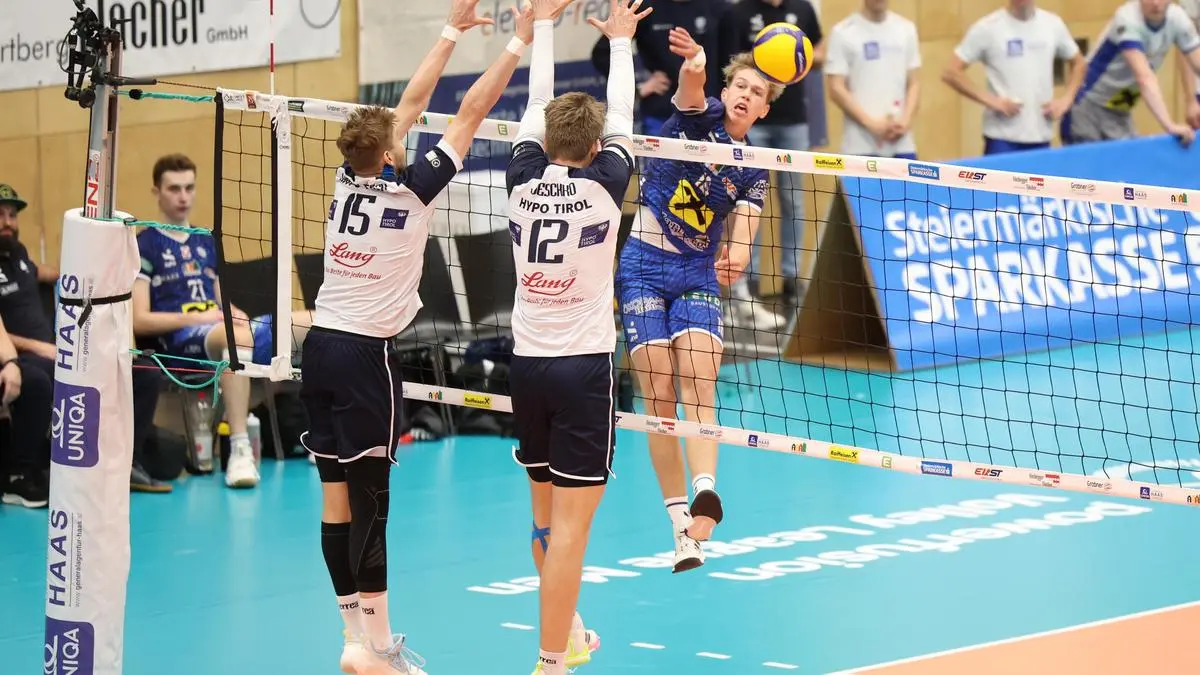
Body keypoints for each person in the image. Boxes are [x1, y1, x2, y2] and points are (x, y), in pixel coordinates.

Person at [298, 1, 535, 672]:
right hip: (364, 358)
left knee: (336, 500)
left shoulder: (348, 179)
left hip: (319, 347)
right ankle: (379, 647)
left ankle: (353, 636)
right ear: (389, 152)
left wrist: (451, 31)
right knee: (373, 504)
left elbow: (408, 105)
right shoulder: (413, 190)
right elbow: (469, 113)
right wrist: (518, 41)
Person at [506, 0, 646, 672]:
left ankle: (569, 636)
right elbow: (621, 114)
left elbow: (535, 104)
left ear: (545, 142)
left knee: (544, 520)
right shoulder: (607, 183)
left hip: (527, 365)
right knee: (571, 532)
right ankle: (550, 660)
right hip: (583, 369)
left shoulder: (519, 178)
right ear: (594, 149)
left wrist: (539, 27)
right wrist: (621, 42)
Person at [615, 27, 777, 573]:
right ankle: (679, 526)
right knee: (658, 395)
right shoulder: (698, 117)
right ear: (725, 91)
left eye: (757, 93)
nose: (746, 95)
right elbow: (689, 86)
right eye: (741, 86)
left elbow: (745, 230)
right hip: (642, 267)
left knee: (699, 382)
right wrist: (698, 63)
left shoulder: (754, 166)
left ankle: (706, 490)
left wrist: (738, 256)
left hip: (695, 275)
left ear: (763, 110)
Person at [133, 154, 296, 490]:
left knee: (304, 322)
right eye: (174, 188)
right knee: (237, 341)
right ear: (156, 192)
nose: (183, 196)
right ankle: (239, 450)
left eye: (189, 187)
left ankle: (324, 433)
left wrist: (235, 312)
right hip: (179, 341)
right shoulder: (143, 244)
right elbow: (139, 319)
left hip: (219, 330)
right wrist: (200, 317)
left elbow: (223, 301)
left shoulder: (205, 240)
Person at [728, 0, 825, 316]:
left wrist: (797, 62)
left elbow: (821, 50)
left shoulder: (803, 9)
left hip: (794, 121)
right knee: (750, 202)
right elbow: (735, 66)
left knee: (793, 199)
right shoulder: (740, 12)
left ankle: (792, 280)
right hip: (755, 123)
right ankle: (751, 281)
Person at [942, 0, 1086, 154]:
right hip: (1002, 138)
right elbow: (950, 73)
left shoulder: (1052, 24)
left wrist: (1066, 100)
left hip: (1041, 135)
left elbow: (1079, 64)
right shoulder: (988, 28)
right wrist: (992, 101)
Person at [1062, 0, 1200, 146]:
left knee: (1134, 159)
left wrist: (1191, 102)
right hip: (1087, 107)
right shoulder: (1127, 19)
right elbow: (1145, 78)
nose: (1155, 3)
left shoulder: (1178, 17)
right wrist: (1169, 125)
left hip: (1120, 111)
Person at [824, 0, 922, 159]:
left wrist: (906, 120)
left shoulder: (906, 29)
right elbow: (836, 87)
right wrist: (871, 124)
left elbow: (913, 82)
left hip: (902, 144)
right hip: (860, 147)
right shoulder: (843, 32)